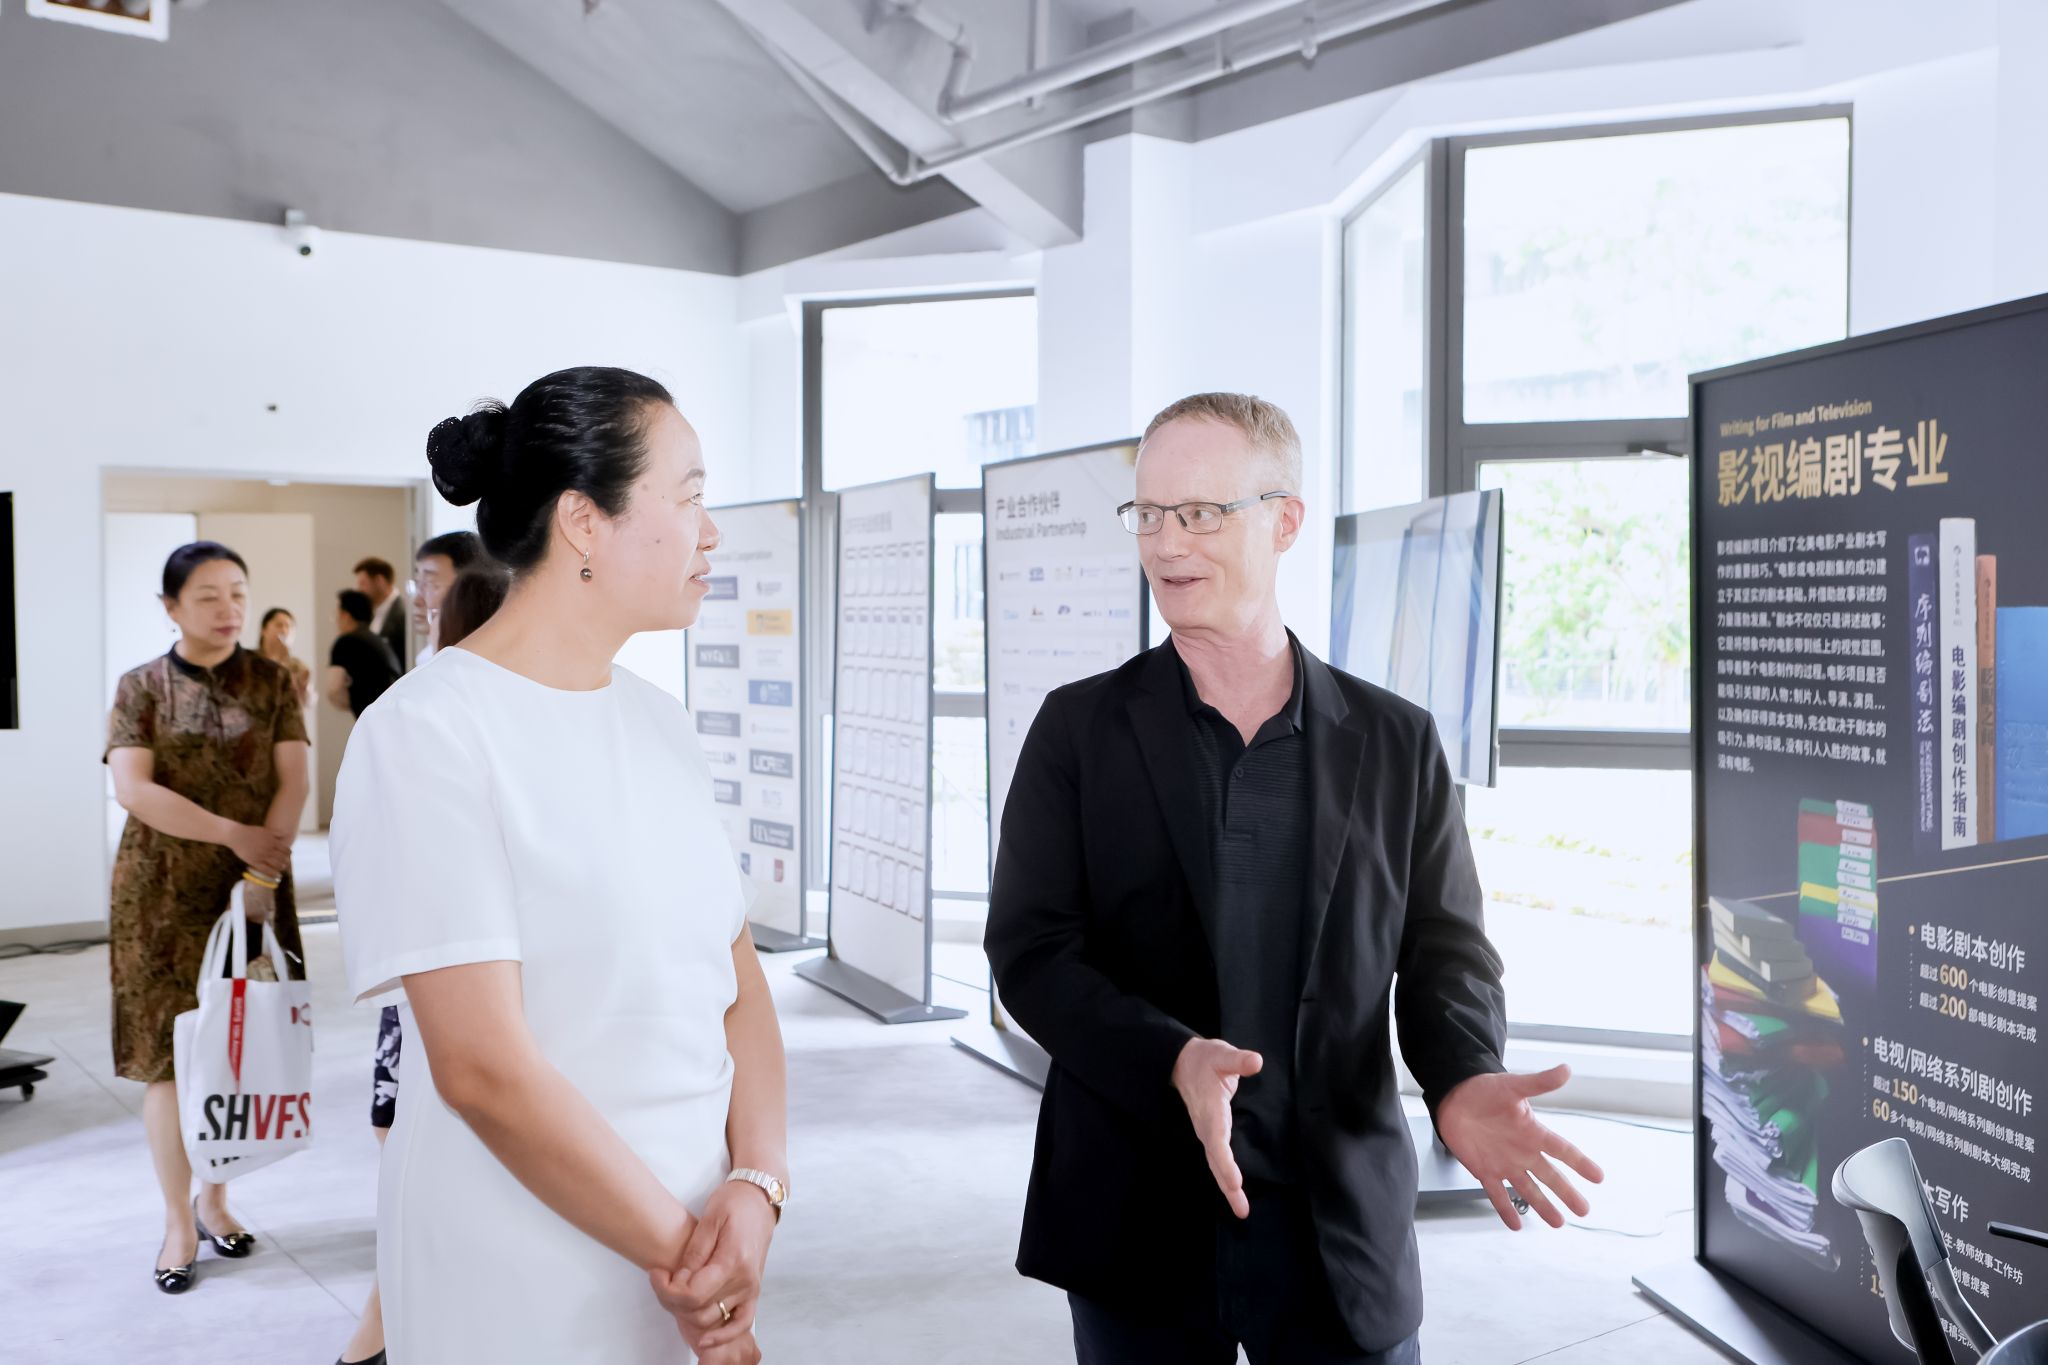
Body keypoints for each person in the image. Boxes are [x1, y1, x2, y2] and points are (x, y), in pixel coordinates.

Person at [985, 393, 1605, 1365]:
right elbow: (1031, 952)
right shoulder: (1077, 730)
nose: (1166, 543)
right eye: (1148, 513)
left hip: (1335, 1222)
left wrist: (1460, 1076)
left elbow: (1445, 955)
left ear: (1283, 521)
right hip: (1138, 1214)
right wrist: (1170, 1058)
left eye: (1200, 513)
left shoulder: (1395, 741)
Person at [331, 366, 787, 1364]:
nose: (711, 532)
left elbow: (738, 984)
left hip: (691, 1251)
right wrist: (693, 1266)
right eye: (690, 497)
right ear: (584, 521)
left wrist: (755, 1188)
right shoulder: (429, 732)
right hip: (520, 1268)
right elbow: (481, 1069)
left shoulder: (660, 723)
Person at [105, 541, 310, 1295]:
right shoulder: (141, 686)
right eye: (208, 596)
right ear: (171, 607)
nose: (229, 610)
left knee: (237, 1044)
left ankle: (216, 1199)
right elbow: (133, 788)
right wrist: (234, 835)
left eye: (238, 593)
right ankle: (177, 1220)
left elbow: (294, 778)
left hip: (250, 886)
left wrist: (262, 868)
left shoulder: (273, 680)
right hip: (158, 894)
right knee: (167, 1058)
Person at [334, 554, 510, 1365]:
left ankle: (375, 1336)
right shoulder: (422, 720)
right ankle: (378, 1334)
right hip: (435, 1005)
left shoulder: (436, 714)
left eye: (431, 586)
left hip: (424, 1007)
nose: (421, 598)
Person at [408, 530, 484, 665]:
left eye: (431, 584)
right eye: (417, 583)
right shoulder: (428, 658)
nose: (417, 601)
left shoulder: (480, 661)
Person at [326, 589, 401, 719]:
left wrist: (354, 703)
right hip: (393, 713)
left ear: (345, 616)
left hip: (375, 718)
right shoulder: (377, 641)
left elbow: (334, 689)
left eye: (337, 614)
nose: (336, 620)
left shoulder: (345, 642)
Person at [353, 556, 407, 667]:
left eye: (363, 584)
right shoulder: (370, 614)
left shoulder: (403, 613)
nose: (359, 590)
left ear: (379, 581)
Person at [258, 606, 315, 708]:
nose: (284, 631)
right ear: (264, 630)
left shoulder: (298, 666)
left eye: (289, 626)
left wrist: (304, 689)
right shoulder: (250, 661)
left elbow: (307, 702)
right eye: (279, 625)